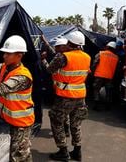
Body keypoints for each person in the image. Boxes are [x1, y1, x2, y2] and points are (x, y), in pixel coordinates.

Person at [42, 31, 90, 161]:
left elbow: (49, 70)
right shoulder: (87, 57)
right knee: (76, 124)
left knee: (56, 120)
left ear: (69, 43)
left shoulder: (63, 57)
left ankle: (63, 151)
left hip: (65, 96)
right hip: (81, 96)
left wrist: (43, 60)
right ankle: (77, 151)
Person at [41, 36, 71, 137]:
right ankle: (66, 130)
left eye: (58, 47)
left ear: (63, 47)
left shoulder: (61, 58)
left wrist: (43, 60)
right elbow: (52, 51)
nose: (56, 49)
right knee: (65, 112)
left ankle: (60, 137)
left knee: (56, 114)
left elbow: (50, 69)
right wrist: (45, 41)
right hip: (71, 90)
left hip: (62, 89)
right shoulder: (70, 56)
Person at [92, 41, 119, 111]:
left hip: (99, 75)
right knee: (108, 91)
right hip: (109, 76)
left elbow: (95, 63)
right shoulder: (116, 57)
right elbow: (117, 69)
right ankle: (108, 105)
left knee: (96, 89)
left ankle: (96, 105)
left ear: (107, 47)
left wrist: (92, 71)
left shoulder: (101, 53)